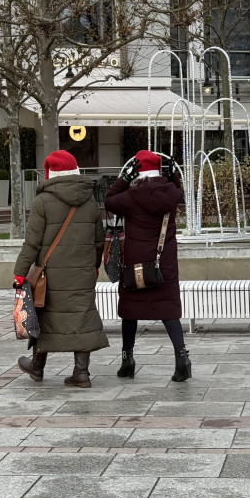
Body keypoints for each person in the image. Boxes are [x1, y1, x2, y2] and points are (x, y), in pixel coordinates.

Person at [13, 150, 109, 388]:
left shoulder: (43, 201)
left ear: (50, 173)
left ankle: (37, 367)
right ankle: (81, 373)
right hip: (83, 273)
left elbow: (32, 243)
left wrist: (20, 272)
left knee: (44, 317)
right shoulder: (89, 200)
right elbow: (99, 240)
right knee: (82, 317)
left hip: (51, 275)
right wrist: (94, 267)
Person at [104, 149, 191, 381]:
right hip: (164, 264)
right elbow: (180, 192)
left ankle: (127, 361)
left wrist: (123, 179)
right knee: (169, 310)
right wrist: (173, 176)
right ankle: (182, 358)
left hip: (136, 266)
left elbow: (109, 201)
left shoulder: (131, 197)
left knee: (130, 312)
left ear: (137, 170)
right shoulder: (171, 193)